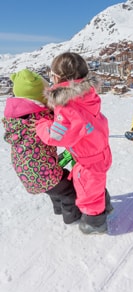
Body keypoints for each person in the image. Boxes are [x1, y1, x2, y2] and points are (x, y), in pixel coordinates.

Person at [34, 52, 113, 234]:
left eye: (51, 75)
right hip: (99, 150)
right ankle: (105, 206)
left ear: (58, 77)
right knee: (95, 184)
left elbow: (58, 135)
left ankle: (95, 223)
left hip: (88, 159)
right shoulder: (87, 94)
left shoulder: (67, 105)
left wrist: (42, 125)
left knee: (87, 191)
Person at [2, 68, 82, 224]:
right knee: (68, 190)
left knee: (55, 184)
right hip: (40, 171)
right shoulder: (39, 117)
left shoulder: (17, 118)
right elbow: (59, 123)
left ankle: (58, 209)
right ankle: (72, 219)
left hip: (26, 171)